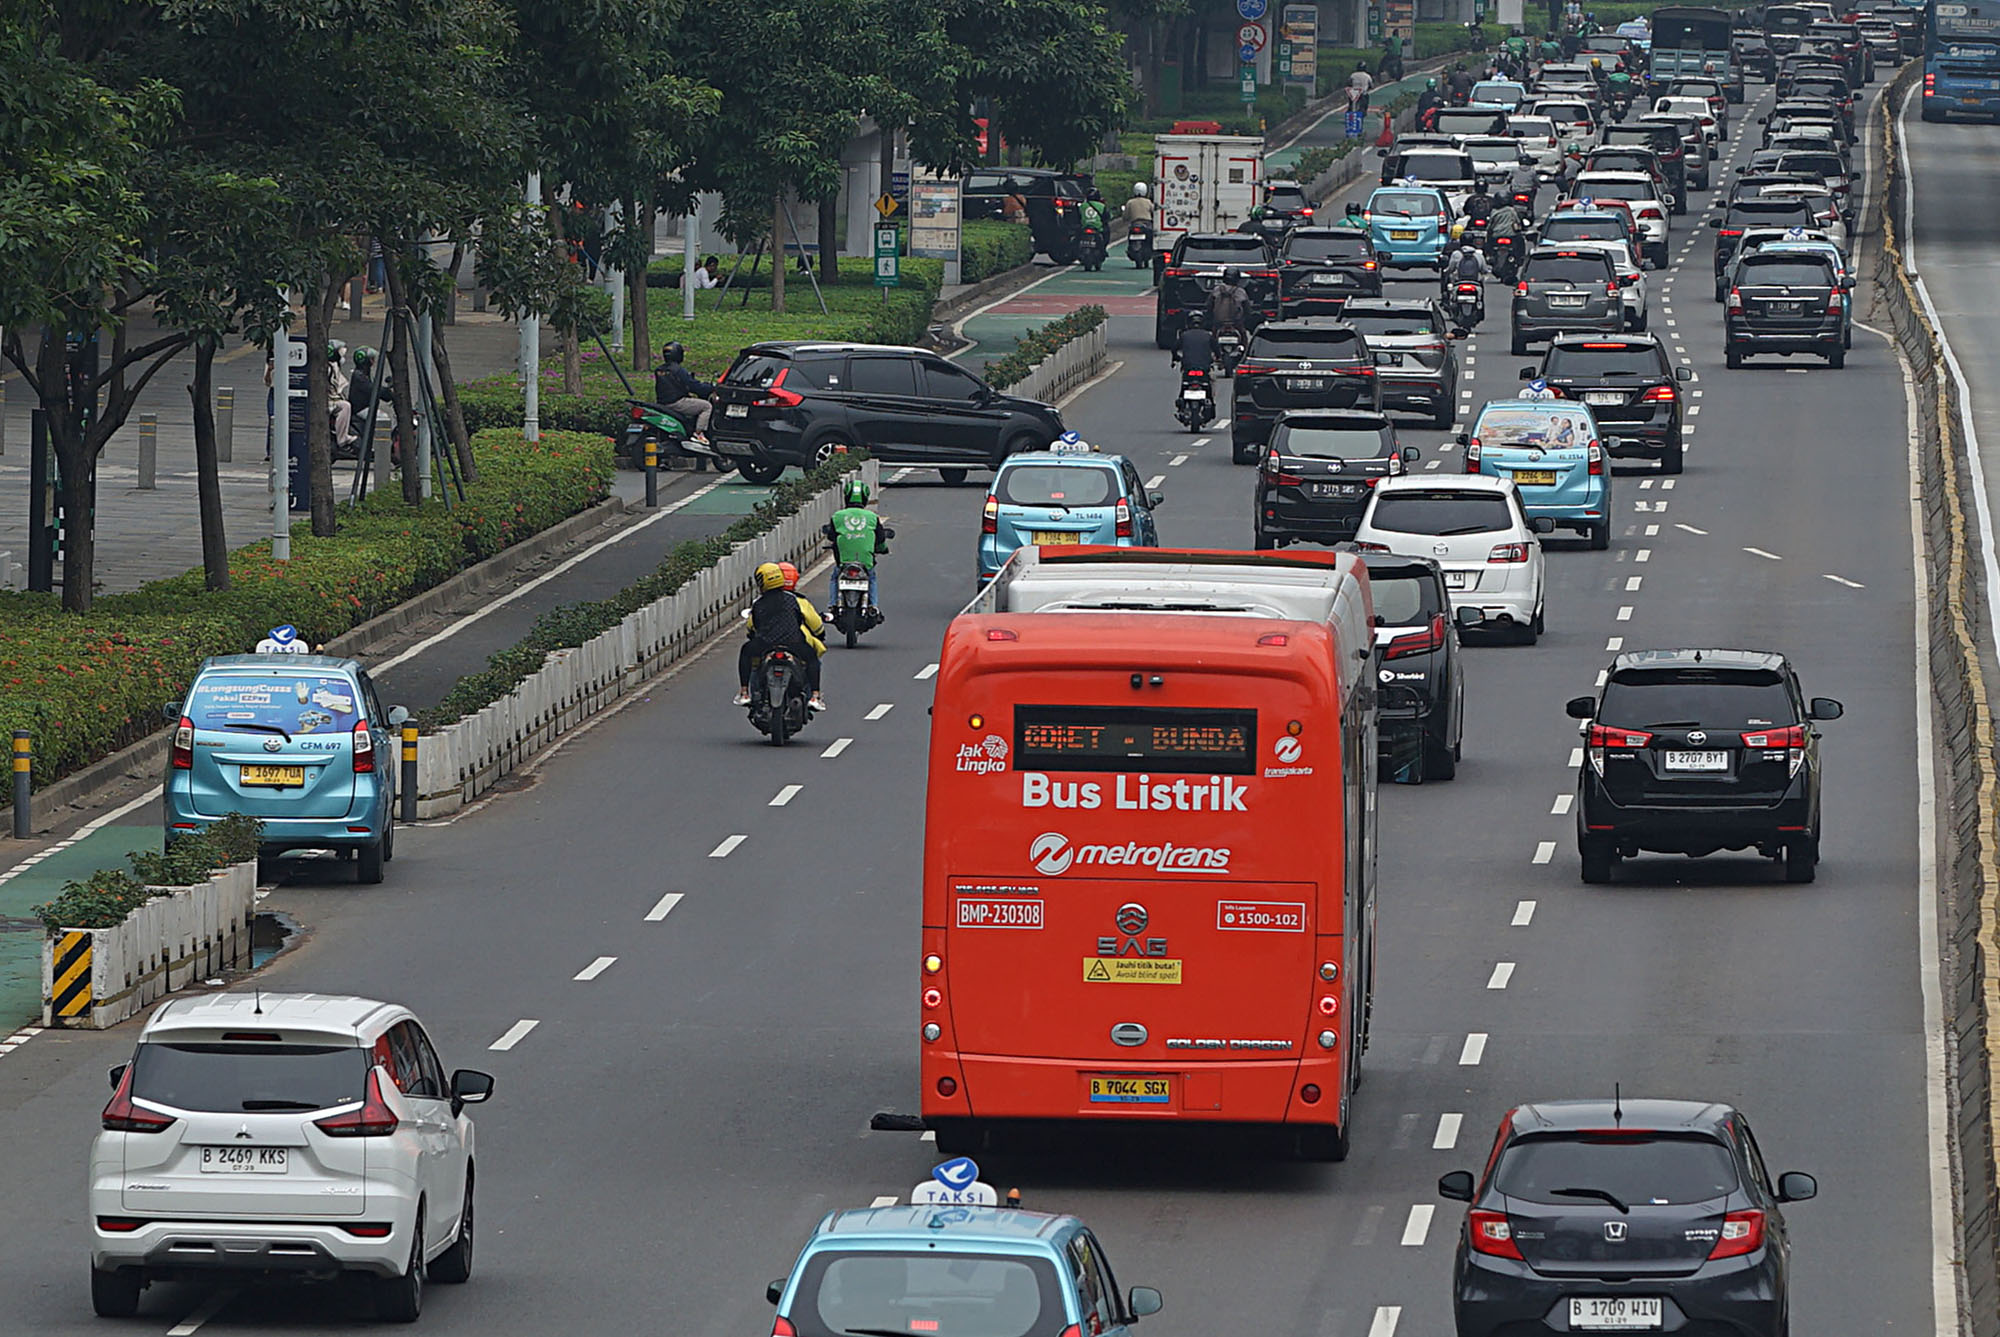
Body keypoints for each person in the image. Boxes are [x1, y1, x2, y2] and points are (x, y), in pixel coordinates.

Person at [737, 561, 825, 710]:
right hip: (794, 643)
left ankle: (745, 692)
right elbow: (799, 619)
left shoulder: (759, 603)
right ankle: (815, 695)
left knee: (746, 652)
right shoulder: (793, 599)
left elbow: (754, 626)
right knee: (812, 658)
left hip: (766, 643)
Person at [821, 477, 892, 613]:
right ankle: (873, 606)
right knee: (871, 578)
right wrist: (883, 549)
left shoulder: (838, 516)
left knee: (835, 578)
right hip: (865, 562)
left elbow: (831, 536)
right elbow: (880, 539)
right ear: (865, 498)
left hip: (843, 562)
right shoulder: (872, 517)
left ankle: (832, 605)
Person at [653, 341, 714, 444]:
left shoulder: (659, 370)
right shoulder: (678, 370)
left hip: (662, 403)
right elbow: (694, 386)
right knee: (706, 406)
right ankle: (698, 433)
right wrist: (710, 387)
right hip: (677, 402)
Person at [1206, 267, 1252, 339]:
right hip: (1236, 324)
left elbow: (1209, 307)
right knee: (1244, 337)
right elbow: (1248, 310)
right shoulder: (1241, 292)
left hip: (1218, 323)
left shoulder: (1216, 290)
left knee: (1213, 338)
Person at [1172, 308, 1216, 374]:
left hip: (1189, 367)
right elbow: (1216, 349)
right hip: (1204, 367)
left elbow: (1174, 349)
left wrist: (1176, 358)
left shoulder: (1184, 335)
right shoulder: (1208, 335)